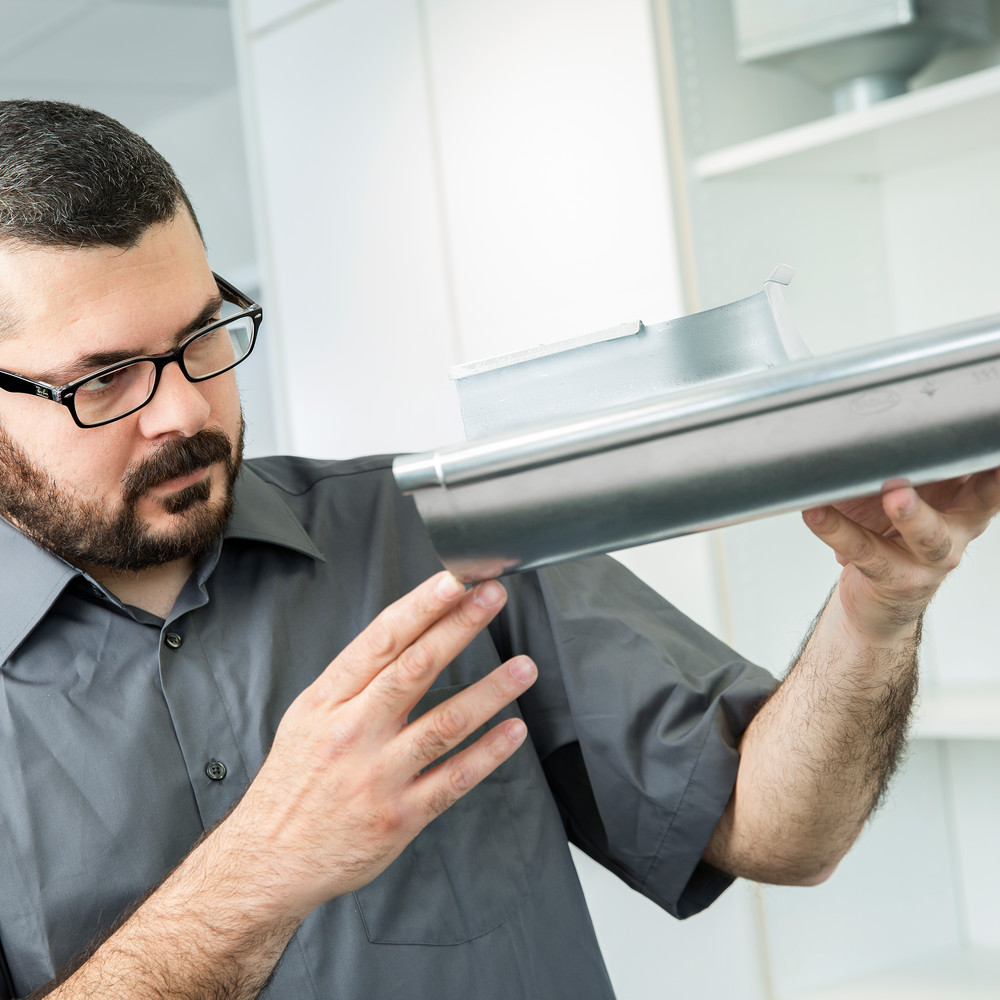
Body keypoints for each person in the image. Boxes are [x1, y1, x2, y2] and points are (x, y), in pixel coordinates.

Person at [0, 98, 995, 1000]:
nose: (183, 408)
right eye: (108, 379)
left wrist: (880, 609)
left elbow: (776, 830)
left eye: (203, 334)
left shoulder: (438, 530)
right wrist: (268, 863)